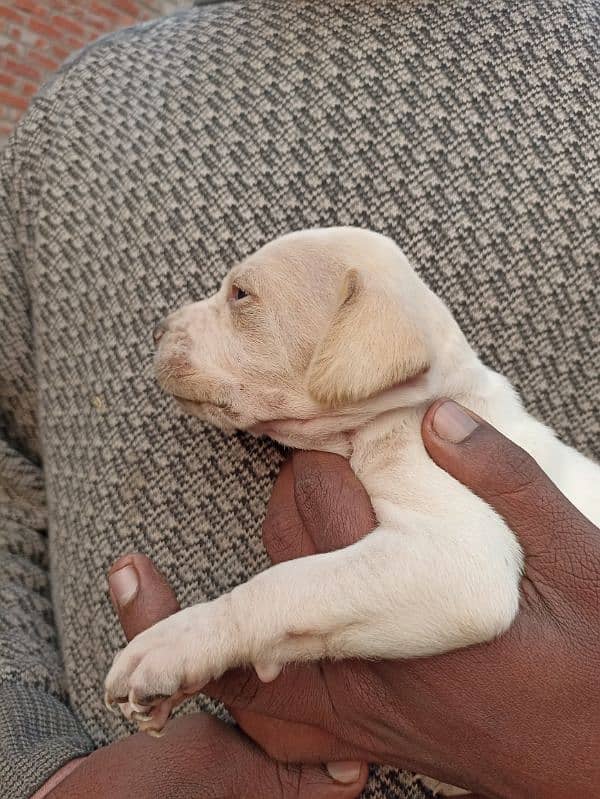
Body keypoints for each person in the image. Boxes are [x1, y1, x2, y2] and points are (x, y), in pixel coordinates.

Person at [1, 1, 598, 798]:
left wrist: (231, 624)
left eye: (239, 299)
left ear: (362, 352)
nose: (178, 326)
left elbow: (464, 587)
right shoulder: (75, 116)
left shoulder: (425, 425)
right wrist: (37, 768)